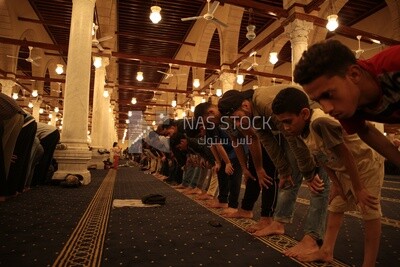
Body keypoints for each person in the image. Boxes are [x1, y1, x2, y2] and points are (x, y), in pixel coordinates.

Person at [272, 87, 384, 267]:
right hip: (342, 167)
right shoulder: (301, 129)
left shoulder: (320, 123)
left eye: (288, 121)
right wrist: (337, 184)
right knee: (336, 206)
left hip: (364, 163)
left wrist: (359, 188)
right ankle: (326, 251)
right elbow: (321, 157)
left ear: (304, 113)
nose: (285, 127)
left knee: (369, 210)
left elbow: (346, 154)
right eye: (282, 123)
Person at [218, 85, 329, 257]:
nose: (238, 125)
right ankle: (279, 223)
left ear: (245, 106)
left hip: (313, 120)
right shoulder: (252, 114)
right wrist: (284, 171)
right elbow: (268, 142)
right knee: (288, 176)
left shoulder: (265, 103)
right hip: (293, 130)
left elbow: (292, 137)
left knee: (317, 180)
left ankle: (313, 238)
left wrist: (308, 172)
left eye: (238, 119)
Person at [294, 39, 400, 167]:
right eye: (318, 101)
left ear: (354, 75)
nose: (326, 109)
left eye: (328, 95)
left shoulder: (394, 63)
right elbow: (365, 130)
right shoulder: (347, 106)